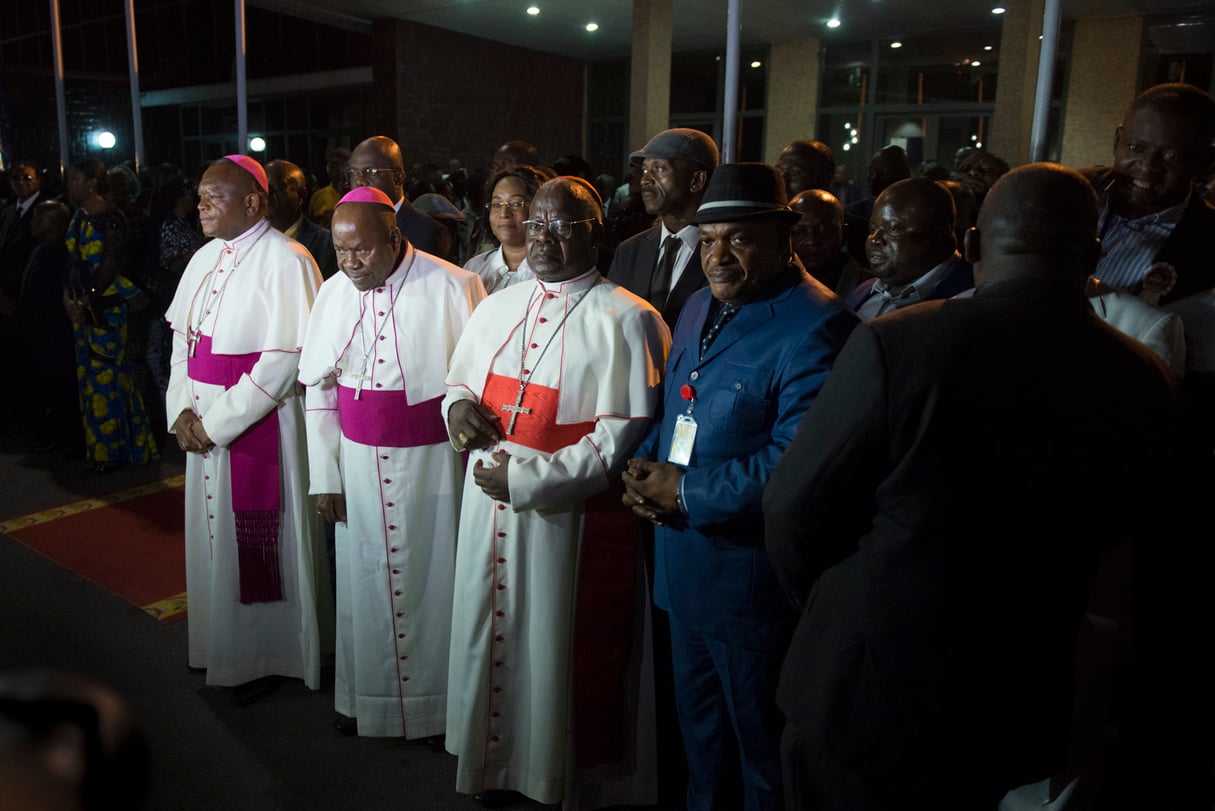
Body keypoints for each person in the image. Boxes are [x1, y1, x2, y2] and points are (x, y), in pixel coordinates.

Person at [763, 163, 1177, 811]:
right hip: (1012, 696)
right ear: (1094, 254)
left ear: (974, 244)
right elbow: (1129, 538)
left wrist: (825, 604)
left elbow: (792, 508)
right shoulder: (1141, 375)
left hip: (864, 688)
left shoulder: (897, 342)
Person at [622, 162, 858, 811]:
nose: (716, 255)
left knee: (760, 751)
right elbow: (678, 408)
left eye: (737, 238)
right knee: (698, 740)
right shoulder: (700, 302)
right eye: (706, 239)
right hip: (683, 566)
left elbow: (797, 463)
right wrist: (644, 468)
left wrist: (686, 492)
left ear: (785, 237)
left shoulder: (818, 326)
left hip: (748, 585)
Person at [442, 176, 670, 808]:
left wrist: (525, 480)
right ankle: (494, 764)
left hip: (564, 520)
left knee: (550, 646)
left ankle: (548, 773)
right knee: (487, 631)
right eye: (537, 225)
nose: (543, 237)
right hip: (485, 510)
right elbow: (458, 383)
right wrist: (458, 412)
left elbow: (621, 433)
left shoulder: (630, 317)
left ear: (594, 232)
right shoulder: (498, 304)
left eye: (562, 226)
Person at [299, 187, 485, 738]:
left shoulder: (456, 284)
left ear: (395, 237)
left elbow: (474, 386)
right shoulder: (333, 294)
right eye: (341, 251)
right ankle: (365, 701)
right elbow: (319, 393)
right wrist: (324, 476)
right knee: (362, 584)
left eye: (363, 251)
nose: (351, 264)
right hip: (355, 464)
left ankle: (440, 710)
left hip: (433, 468)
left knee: (435, 583)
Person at [164, 155, 334, 701]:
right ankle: (220, 647)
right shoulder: (203, 258)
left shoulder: (290, 260)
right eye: (199, 196)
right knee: (212, 546)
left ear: (254, 202)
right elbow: (181, 345)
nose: (201, 205)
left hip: (258, 427)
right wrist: (181, 411)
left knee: (264, 547)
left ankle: (265, 656)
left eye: (213, 196)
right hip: (202, 424)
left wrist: (217, 423)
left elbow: (287, 358)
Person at [62, 158, 157, 473]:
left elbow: (110, 265)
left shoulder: (112, 219)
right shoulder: (78, 217)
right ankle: (99, 449)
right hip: (81, 307)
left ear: (91, 183)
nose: (70, 185)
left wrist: (86, 301)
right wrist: (69, 298)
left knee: (109, 378)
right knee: (88, 381)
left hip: (105, 308)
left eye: (75, 178)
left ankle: (117, 450)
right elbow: (72, 261)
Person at [608, 127, 719, 329]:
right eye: (644, 170)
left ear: (697, 180)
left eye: (658, 169)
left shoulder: (724, 254)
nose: (645, 180)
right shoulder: (629, 252)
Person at [845, 177, 973, 319]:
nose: (874, 239)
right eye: (873, 228)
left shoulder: (970, 299)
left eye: (893, 229)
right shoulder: (864, 290)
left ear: (940, 234)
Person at [16, 201, 79, 453]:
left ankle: (69, 438)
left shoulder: (61, 254)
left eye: (38, 219)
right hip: (37, 331)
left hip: (54, 333)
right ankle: (53, 431)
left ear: (54, 224)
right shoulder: (40, 249)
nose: (32, 224)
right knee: (46, 385)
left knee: (62, 386)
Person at [345, 136, 447, 259]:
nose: (359, 181)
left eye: (371, 172)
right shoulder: (346, 229)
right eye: (353, 173)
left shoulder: (428, 232)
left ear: (398, 178)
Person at [463, 165, 552, 293]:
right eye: (497, 205)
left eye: (516, 204)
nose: (504, 213)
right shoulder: (475, 267)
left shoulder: (551, 272)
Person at [266, 159, 337, 280]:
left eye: (276, 187)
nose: (267, 194)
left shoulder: (326, 243)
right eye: (263, 188)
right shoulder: (250, 240)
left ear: (301, 196)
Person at [790, 189, 867, 298]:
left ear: (844, 234)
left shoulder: (871, 288)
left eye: (824, 229)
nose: (812, 241)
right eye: (799, 232)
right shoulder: (775, 287)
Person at [844, 145, 911, 267]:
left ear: (905, 173)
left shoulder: (914, 214)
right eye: (871, 171)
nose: (873, 177)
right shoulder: (854, 213)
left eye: (882, 172)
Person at [308, 147, 349, 229]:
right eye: (330, 163)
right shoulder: (318, 196)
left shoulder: (355, 195)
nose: (332, 167)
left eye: (338, 163)